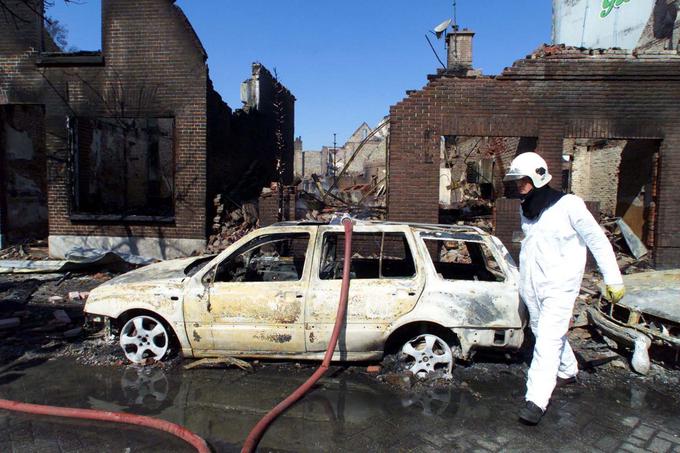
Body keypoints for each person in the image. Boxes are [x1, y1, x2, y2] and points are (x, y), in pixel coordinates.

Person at [503, 152, 626, 425]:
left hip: (560, 286)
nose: (518, 186)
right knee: (543, 331)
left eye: (522, 180)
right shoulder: (528, 209)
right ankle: (568, 369)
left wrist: (613, 278)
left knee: (546, 340)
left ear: (537, 177)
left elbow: (597, 240)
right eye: (516, 181)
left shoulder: (570, 205)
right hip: (532, 285)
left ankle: (535, 400)